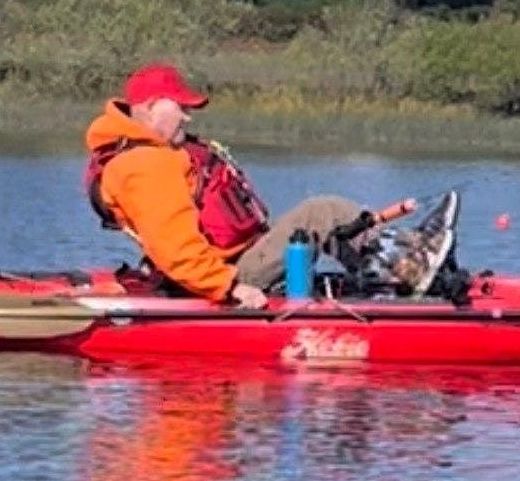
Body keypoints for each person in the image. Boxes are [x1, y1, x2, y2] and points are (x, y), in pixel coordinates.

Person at [83, 62, 458, 307]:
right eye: (180, 107)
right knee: (318, 213)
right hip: (223, 275)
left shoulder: (150, 154)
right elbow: (175, 248)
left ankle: (401, 260)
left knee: (326, 213)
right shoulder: (144, 164)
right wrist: (231, 288)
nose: (186, 115)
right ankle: (403, 268)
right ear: (149, 108)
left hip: (228, 262)